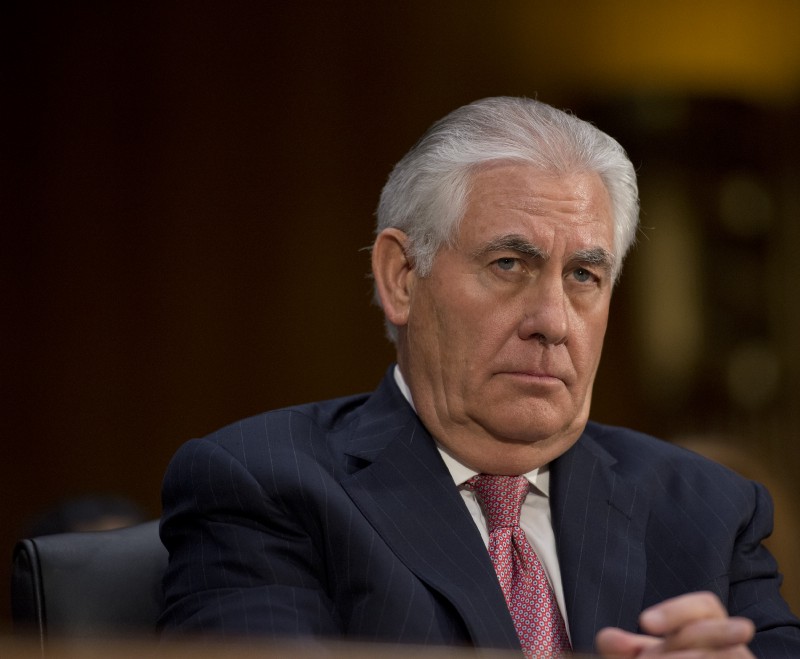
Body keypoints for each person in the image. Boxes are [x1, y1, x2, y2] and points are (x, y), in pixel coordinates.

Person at [158, 97, 800, 657]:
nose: (553, 321)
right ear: (402, 278)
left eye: (584, 275)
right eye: (509, 263)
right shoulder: (265, 488)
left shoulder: (707, 511)